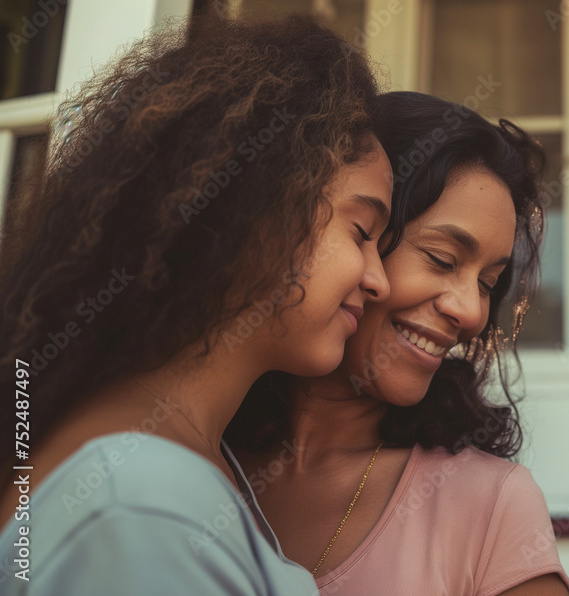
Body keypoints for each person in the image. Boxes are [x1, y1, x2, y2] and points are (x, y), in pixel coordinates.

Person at [0, 15, 393, 594]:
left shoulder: (182, 459)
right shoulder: (138, 503)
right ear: (259, 208)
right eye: (362, 232)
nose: (380, 280)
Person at [226, 92, 569, 596]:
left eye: (488, 283)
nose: (471, 313)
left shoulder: (492, 506)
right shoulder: (195, 457)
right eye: (442, 258)